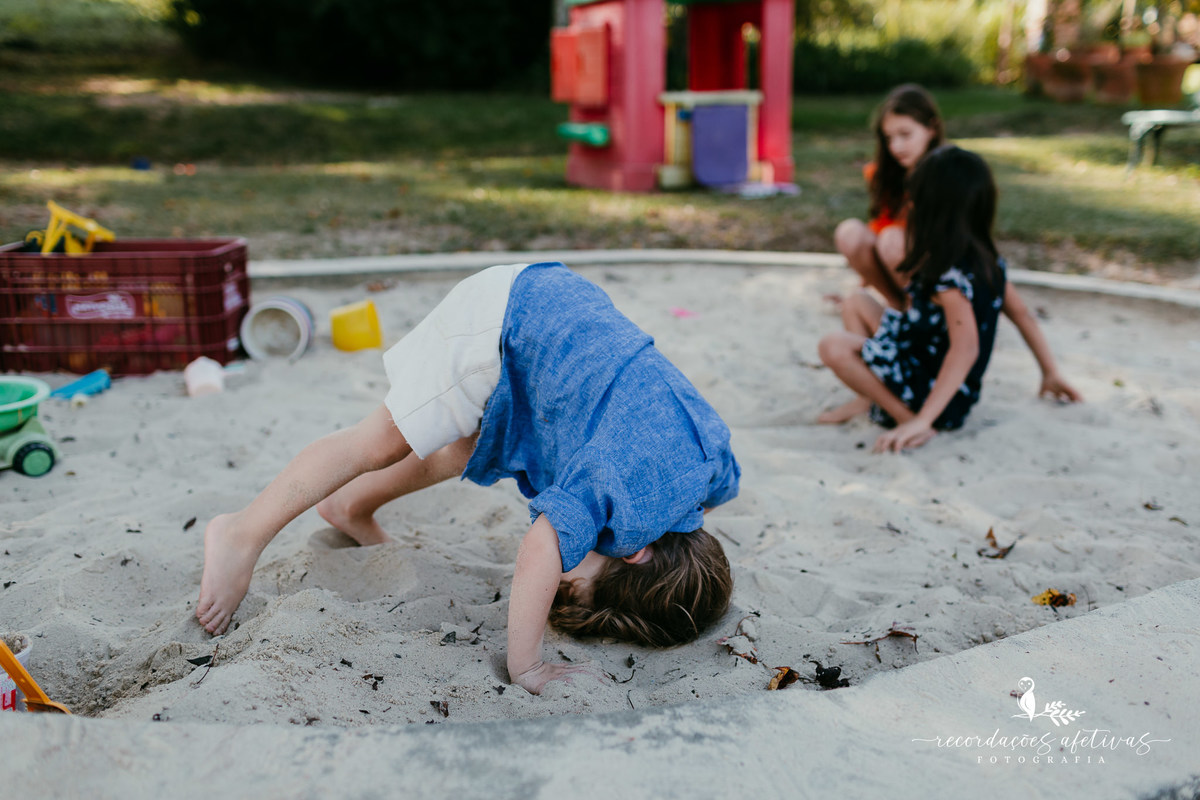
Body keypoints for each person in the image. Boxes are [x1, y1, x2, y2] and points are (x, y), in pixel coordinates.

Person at [196, 262, 739, 695]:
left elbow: (709, 503)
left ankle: (348, 507)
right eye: (581, 573)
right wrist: (526, 666)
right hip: (501, 326)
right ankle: (240, 534)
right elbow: (539, 550)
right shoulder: (617, 489)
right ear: (635, 552)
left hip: (555, 309)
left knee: (461, 447)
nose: (571, 567)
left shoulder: (709, 469)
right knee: (378, 441)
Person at [818, 145, 1082, 450]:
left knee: (833, 346)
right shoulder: (986, 261)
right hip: (927, 365)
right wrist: (1050, 372)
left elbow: (965, 348)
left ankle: (905, 418)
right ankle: (870, 398)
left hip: (933, 391)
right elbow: (1022, 314)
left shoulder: (948, 278)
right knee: (856, 302)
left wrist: (923, 418)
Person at [834, 84, 945, 311]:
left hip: (937, 272)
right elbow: (879, 230)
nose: (896, 146)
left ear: (931, 128)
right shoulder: (885, 174)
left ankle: (924, 309)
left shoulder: (949, 174)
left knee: (892, 239)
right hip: (896, 264)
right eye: (889, 138)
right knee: (850, 232)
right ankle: (899, 306)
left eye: (905, 135)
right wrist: (860, 289)